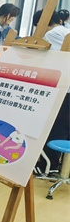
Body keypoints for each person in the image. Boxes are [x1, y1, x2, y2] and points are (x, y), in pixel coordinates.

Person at [34, 10, 70, 175]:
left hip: (63, 89)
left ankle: (49, 167)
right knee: (66, 129)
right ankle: (64, 169)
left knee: (57, 128)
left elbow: (52, 61)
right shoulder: (66, 31)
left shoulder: (52, 34)